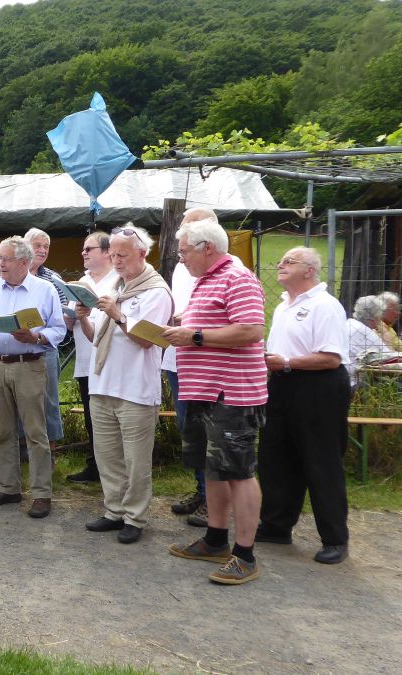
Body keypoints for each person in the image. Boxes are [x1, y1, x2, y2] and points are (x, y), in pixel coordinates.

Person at [163, 217, 267, 585]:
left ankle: (245, 555)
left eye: (184, 252)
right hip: (204, 391)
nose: (181, 259)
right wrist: (186, 328)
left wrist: (194, 336)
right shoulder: (205, 281)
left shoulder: (238, 278)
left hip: (232, 393)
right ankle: (215, 539)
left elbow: (251, 329)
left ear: (207, 248)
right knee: (214, 469)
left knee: (239, 472)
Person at [258, 247, 352, 565]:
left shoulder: (325, 305)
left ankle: (335, 538)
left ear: (309, 270)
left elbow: (331, 358)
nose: (280, 265)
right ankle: (276, 525)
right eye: (281, 260)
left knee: (321, 461)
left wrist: (285, 361)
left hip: (319, 387)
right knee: (275, 456)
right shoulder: (283, 305)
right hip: (282, 383)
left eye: (289, 262)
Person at [80, 226, 172, 544]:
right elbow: (95, 337)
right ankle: (114, 510)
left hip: (135, 389)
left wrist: (118, 314)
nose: (116, 260)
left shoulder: (156, 291)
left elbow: (147, 339)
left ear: (142, 254)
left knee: (136, 460)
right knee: (107, 455)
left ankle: (135, 517)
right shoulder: (114, 286)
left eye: (123, 255)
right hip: (102, 383)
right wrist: (83, 317)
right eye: (113, 254)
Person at [0, 236, 66, 519]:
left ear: (24, 262)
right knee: (3, 432)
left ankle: (41, 493)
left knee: (35, 432)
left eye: (6, 259)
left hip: (29, 365)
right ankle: (9, 487)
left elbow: (59, 329)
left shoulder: (45, 289)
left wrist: (35, 337)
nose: (0, 263)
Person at [66, 231, 117, 484]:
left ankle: (113, 470)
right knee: (91, 417)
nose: (83, 253)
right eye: (83, 249)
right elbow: (68, 322)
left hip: (110, 361)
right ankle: (95, 466)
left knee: (110, 419)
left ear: (107, 252)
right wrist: (71, 316)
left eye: (89, 249)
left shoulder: (117, 281)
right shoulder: (81, 281)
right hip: (86, 361)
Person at [24, 228, 67, 453]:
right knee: (20, 399)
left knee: (48, 400)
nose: (42, 250)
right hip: (16, 349)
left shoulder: (53, 279)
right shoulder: (11, 274)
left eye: (46, 246)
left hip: (45, 348)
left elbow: (64, 314)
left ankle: (49, 452)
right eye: (37, 245)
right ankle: (24, 450)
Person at [347, 295, 392, 387]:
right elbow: (391, 358)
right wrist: (385, 335)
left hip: (342, 377)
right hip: (355, 383)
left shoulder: (348, 323)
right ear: (375, 317)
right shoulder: (366, 333)